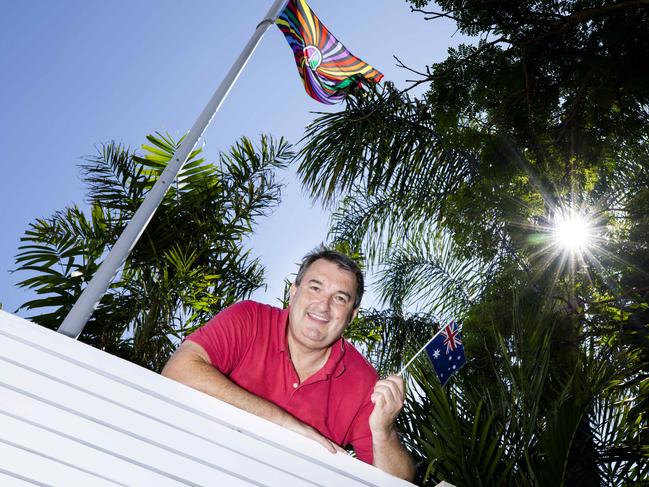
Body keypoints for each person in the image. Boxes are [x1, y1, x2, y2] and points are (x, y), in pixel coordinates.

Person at [162, 246, 415, 481]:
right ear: (293, 293)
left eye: (339, 298)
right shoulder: (249, 318)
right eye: (315, 288)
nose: (323, 306)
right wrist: (284, 425)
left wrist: (384, 432)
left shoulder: (363, 382)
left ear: (351, 315)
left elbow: (398, 482)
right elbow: (178, 369)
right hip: (195, 465)